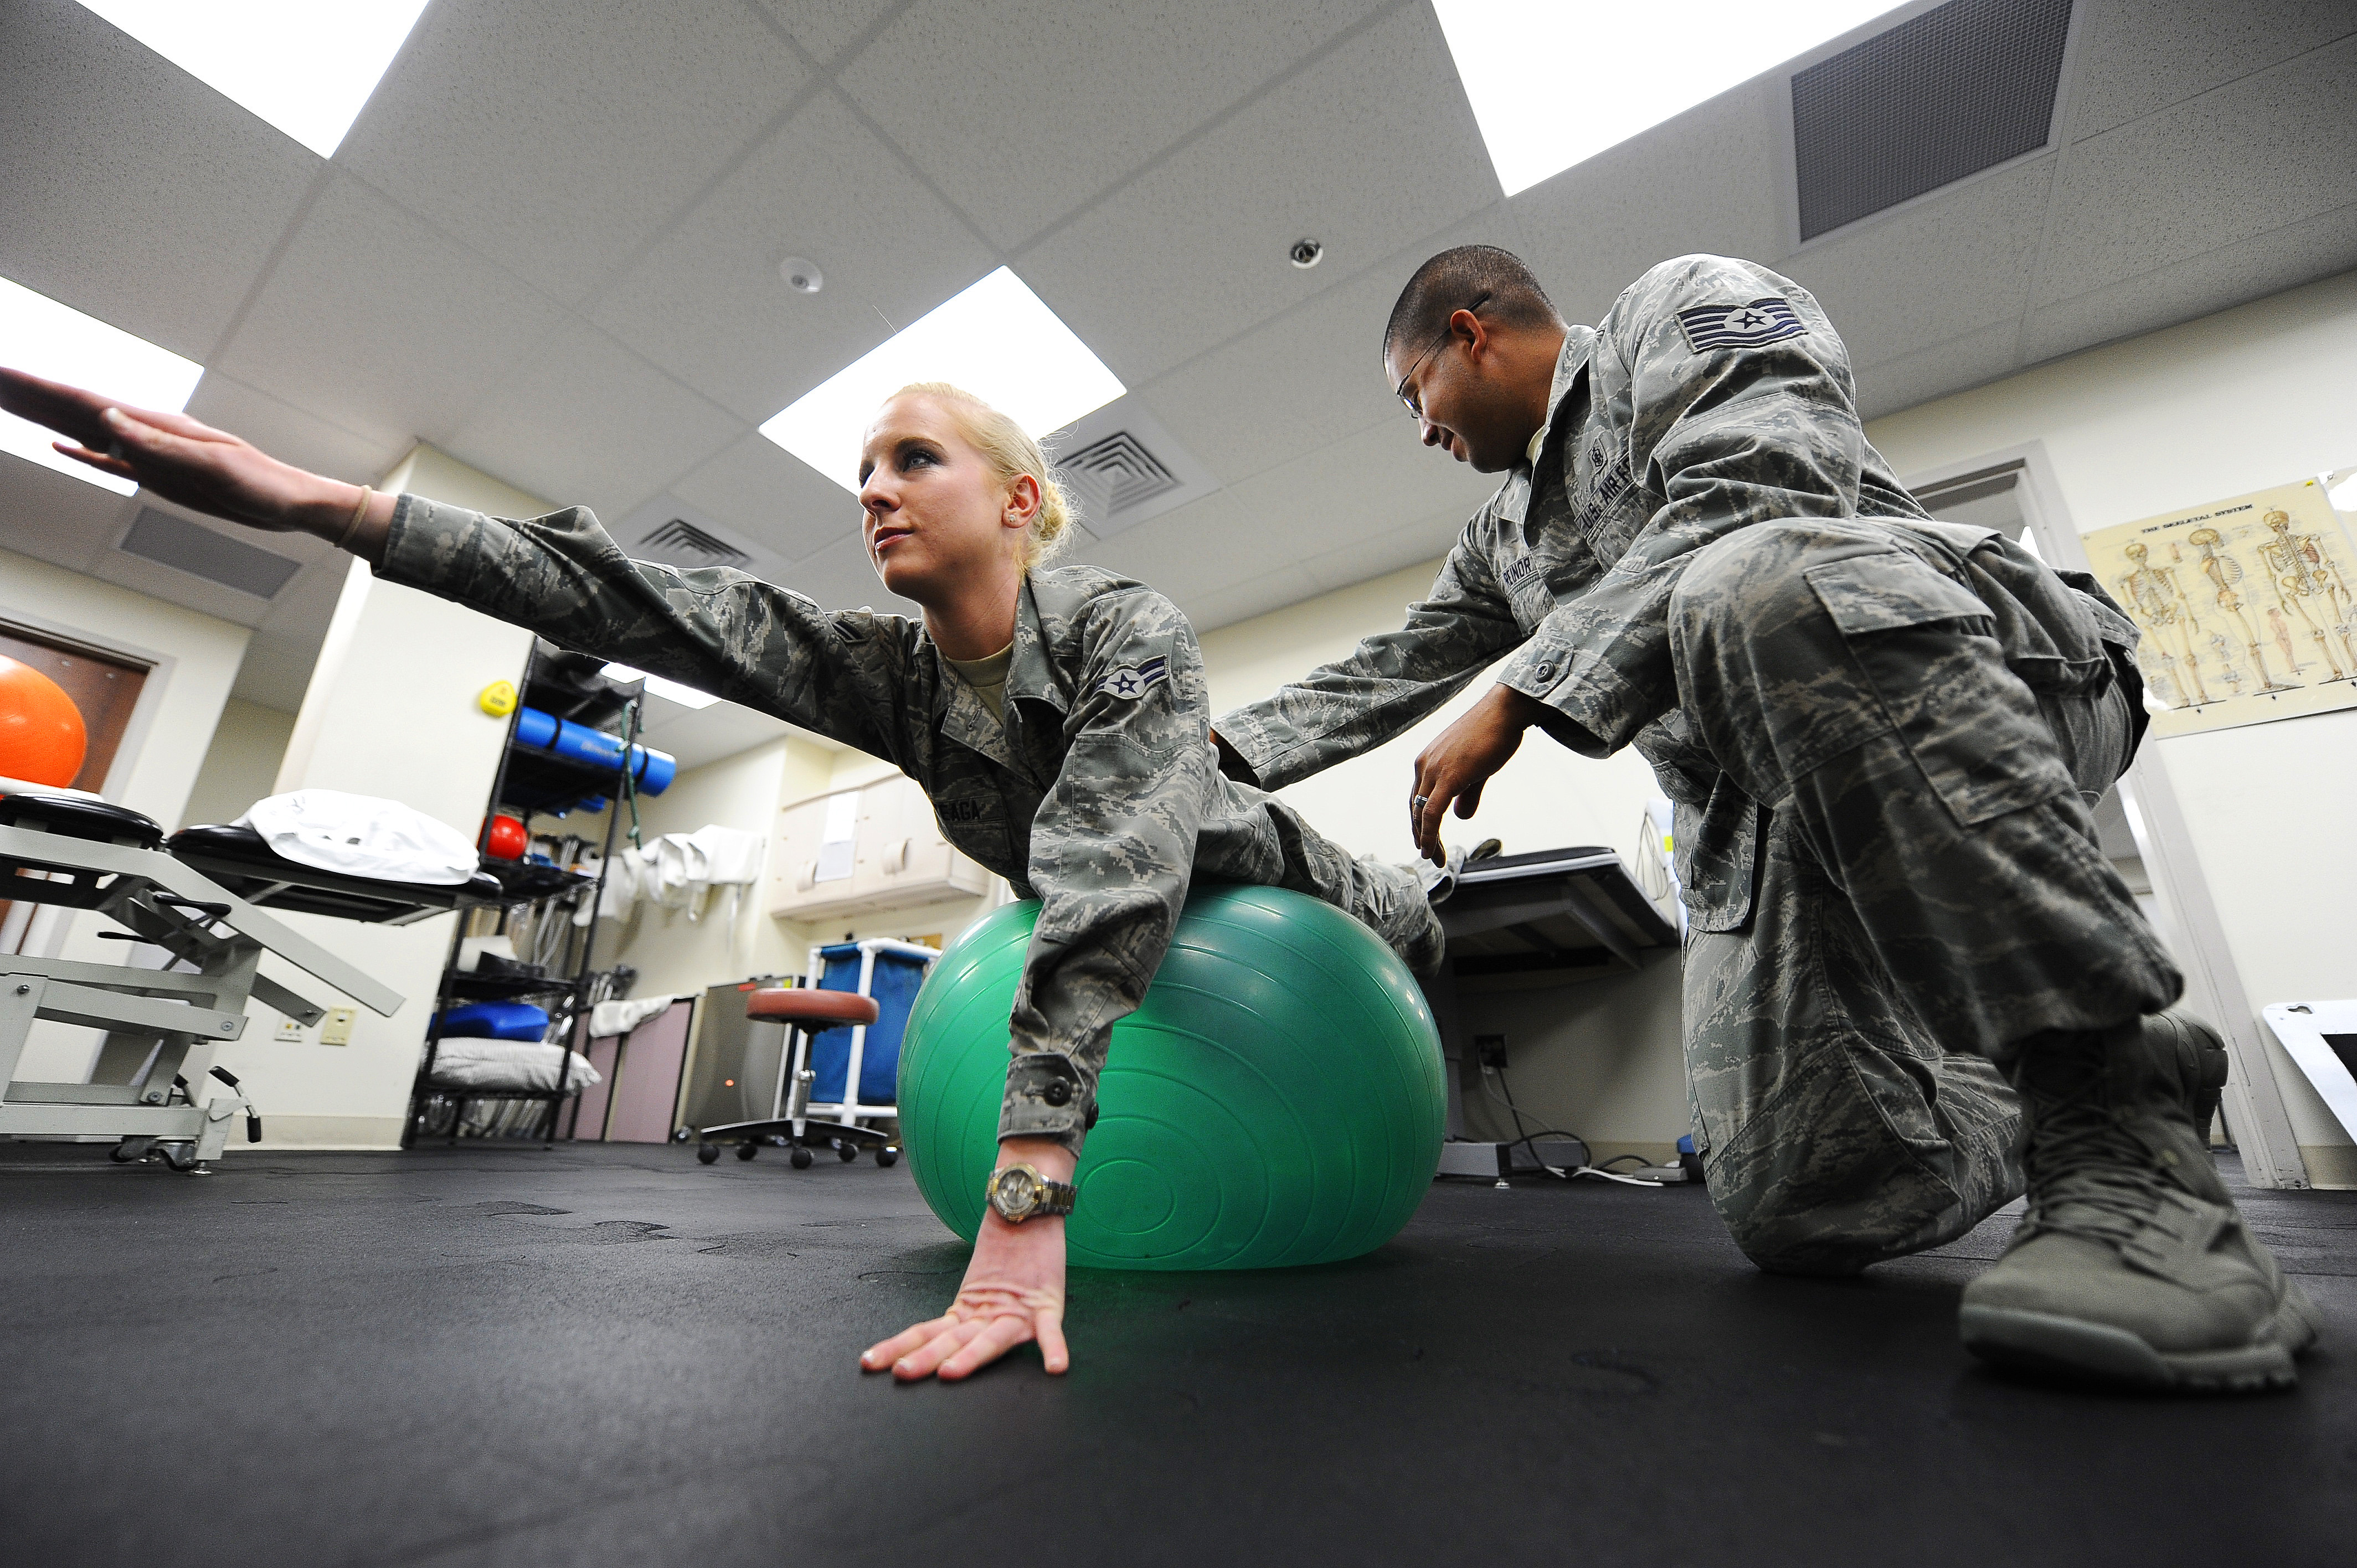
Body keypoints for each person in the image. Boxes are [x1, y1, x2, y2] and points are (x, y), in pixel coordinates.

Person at [0, 366, 1454, 1383]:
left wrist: (1023, 1211)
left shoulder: (1124, 628)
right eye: (864, 472)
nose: (875, 492)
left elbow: (1112, 869)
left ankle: (1427, 898)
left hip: (1255, 875)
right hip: (1106, 894)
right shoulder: (885, 673)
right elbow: (623, 598)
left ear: (1021, 501)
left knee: (1409, 918)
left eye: (914, 460)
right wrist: (311, 501)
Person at [1208, 247, 2323, 1391]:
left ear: (1469, 333)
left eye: (1415, 393)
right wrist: (1192, 759)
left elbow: (1766, 483)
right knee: (1803, 1205)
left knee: (1749, 580)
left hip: (1980, 665)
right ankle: (2121, 1075)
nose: (1421, 429)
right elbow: (1380, 670)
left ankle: (2119, 1131)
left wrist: (1522, 695)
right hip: (1763, 805)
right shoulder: (1502, 540)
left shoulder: (1673, 311)